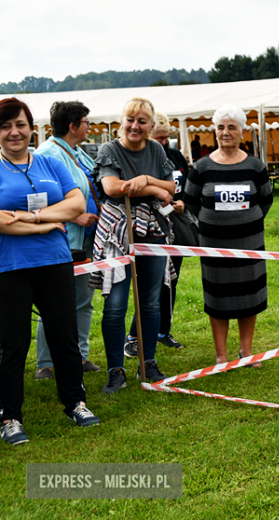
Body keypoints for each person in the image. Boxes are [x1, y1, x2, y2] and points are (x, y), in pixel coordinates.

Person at [0, 98, 100, 445]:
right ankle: (10, 416)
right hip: (10, 268)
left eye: (21, 125)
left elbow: (76, 204)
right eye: (6, 126)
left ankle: (75, 402)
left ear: (31, 127)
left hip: (56, 263)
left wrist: (31, 218)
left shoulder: (49, 163)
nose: (14, 132)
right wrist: (47, 224)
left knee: (64, 336)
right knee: (13, 344)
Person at [91, 97, 176, 394]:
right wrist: (153, 188)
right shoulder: (109, 149)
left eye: (141, 121)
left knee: (150, 302)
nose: (134, 126)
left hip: (151, 231)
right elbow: (112, 187)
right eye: (130, 119)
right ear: (121, 121)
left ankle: (147, 361)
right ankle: (116, 369)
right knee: (115, 305)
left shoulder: (156, 149)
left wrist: (147, 179)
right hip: (118, 232)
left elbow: (172, 189)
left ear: (151, 126)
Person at [183, 105, 273, 366]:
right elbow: (190, 202)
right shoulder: (201, 167)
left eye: (231, 127)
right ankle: (220, 355)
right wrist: (211, 223)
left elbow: (265, 200)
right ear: (214, 131)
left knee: (250, 294)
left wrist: (246, 224)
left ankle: (246, 351)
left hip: (250, 244)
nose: (225, 132)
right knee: (217, 296)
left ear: (242, 132)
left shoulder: (255, 166)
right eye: (221, 127)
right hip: (214, 246)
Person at [34, 101, 102, 378]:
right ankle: (46, 363)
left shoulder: (75, 151)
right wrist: (75, 217)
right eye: (86, 122)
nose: (90, 126)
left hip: (85, 239)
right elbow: (40, 200)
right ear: (73, 126)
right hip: (60, 238)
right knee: (54, 302)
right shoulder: (46, 154)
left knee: (83, 299)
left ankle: (80, 356)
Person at [124, 112, 189, 357]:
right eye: (159, 138)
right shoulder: (145, 158)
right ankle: (134, 335)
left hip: (175, 227)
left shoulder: (175, 157)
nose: (163, 142)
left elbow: (184, 188)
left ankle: (163, 331)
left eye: (166, 138)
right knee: (150, 287)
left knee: (170, 281)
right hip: (149, 228)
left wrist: (182, 202)